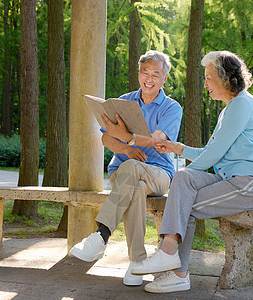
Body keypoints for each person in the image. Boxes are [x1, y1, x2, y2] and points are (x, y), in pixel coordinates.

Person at [130, 50, 253, 293]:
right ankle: (171, 260)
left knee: (183, 204)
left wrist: (181, 156)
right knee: (184, 177)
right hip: (232, 180)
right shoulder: (229, 108)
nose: (205, 83)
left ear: (225, 79)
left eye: (209, 77)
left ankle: (175, 267)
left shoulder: (241, 104)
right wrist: (177, 148)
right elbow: (210, 153)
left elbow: (212, 156)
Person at [70, 50, 183, 287]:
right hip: (123, 171)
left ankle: (102, 235)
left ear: (164, 78)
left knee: (135, 173)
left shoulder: (172, 108)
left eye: (156, 74)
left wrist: (129, 139)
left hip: (159, 174)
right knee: (135, 187)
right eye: (145, 73)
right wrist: (129, 149)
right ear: (138, 73)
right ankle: (137, 263)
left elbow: (158, 140)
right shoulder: (123, 101)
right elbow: (106, 140)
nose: (149, 79)